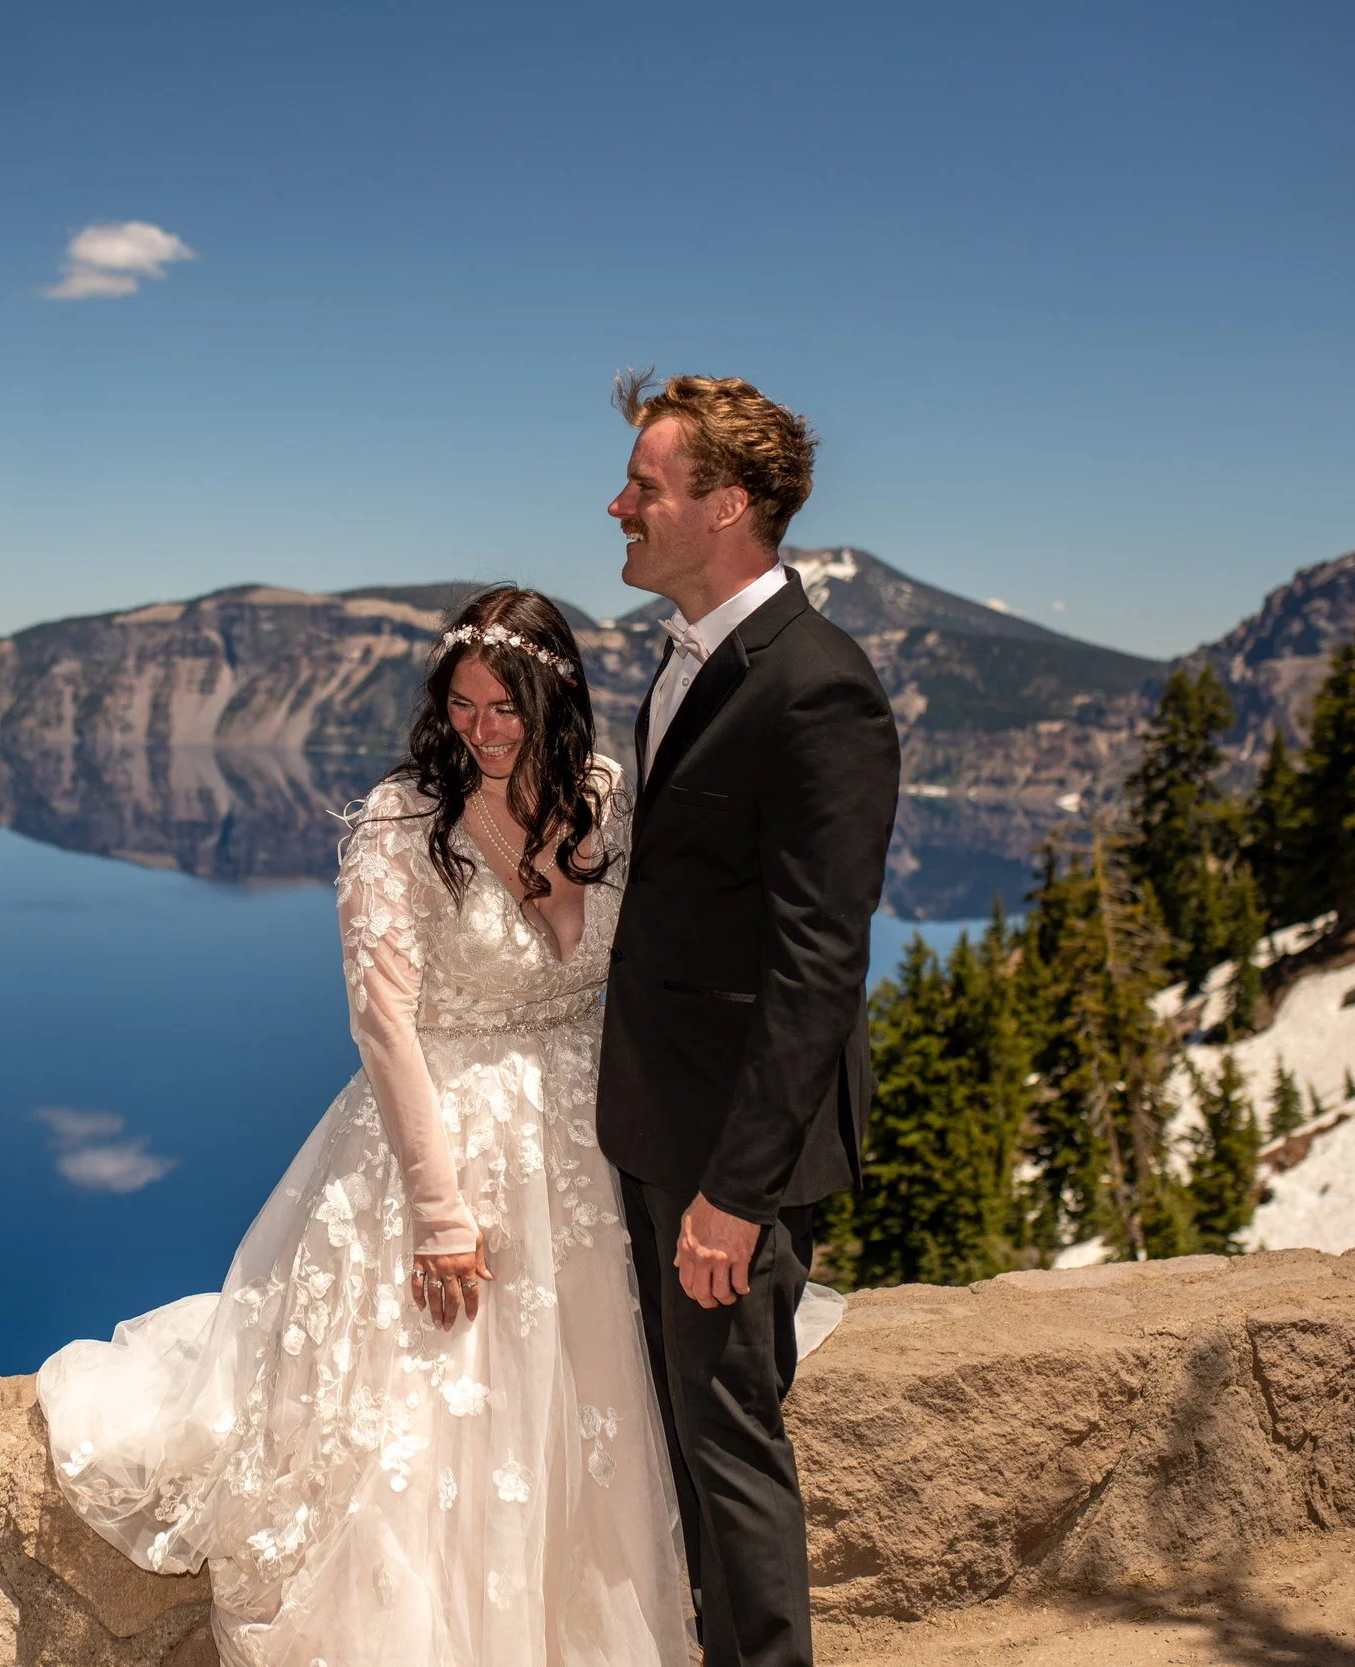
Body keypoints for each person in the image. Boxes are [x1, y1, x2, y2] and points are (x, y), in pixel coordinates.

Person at [39, 586, 694, 1667]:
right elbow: (382, 1022)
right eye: (462, 705)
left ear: (558, 697)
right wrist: (440, 1212)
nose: (478, 729)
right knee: (438, 1418)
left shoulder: (610, 797)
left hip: (586, 1147)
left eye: (503, 707)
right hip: (445, 1138)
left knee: (588, 1408)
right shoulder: (402, 820)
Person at [596, 373, 900, 1667]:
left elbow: (817, 964)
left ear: (724, 505)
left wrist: (735, 1191)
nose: (618, 503)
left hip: (729, 1156)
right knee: (686, 1439)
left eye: (645, 485)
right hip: (662, 1126)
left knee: (729, 1453)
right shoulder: (693, 660)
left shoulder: (815, 686)